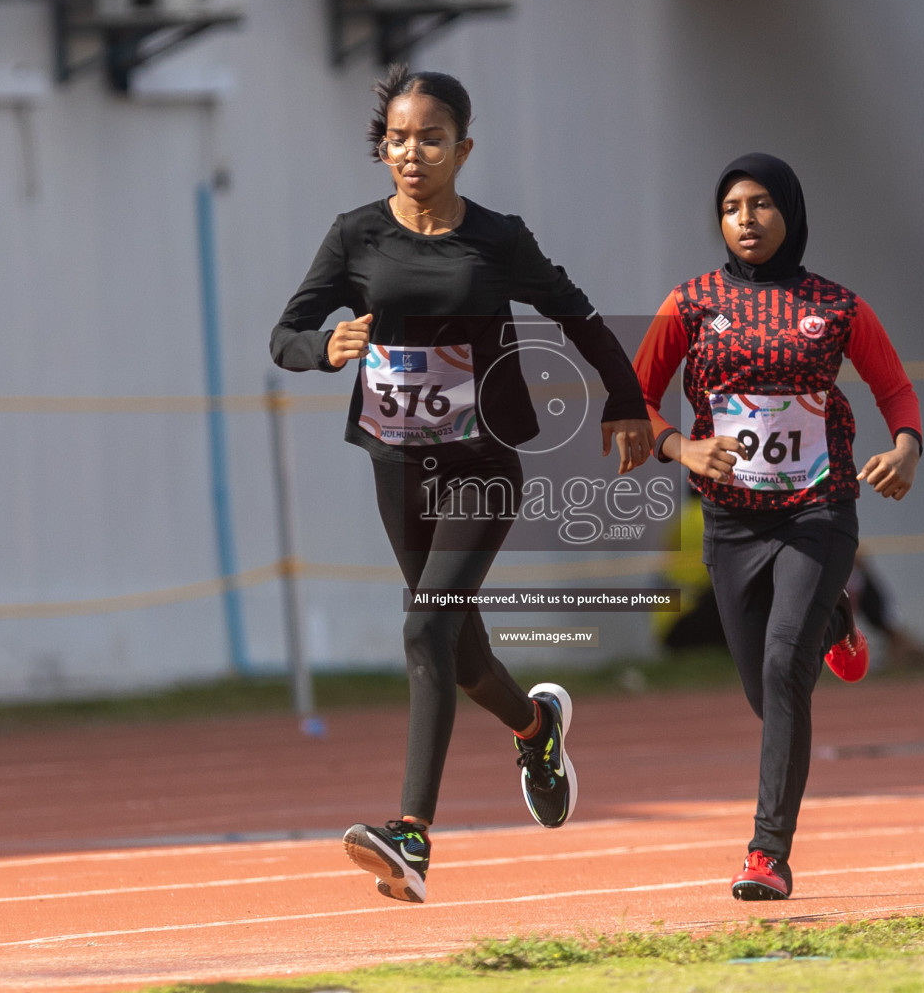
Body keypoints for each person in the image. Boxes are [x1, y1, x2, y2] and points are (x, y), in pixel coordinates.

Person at [270, 66, 653, 904]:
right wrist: (323, 347)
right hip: (394, 462)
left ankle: (411, 835)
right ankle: (536, 727)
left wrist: (625, 402)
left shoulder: (496, 239)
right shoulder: (355, 236)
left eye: (431, 139)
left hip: (481, 464)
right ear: (383, 148)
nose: (413, 153)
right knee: (455, 644)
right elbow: (287, 332)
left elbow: (576, 313)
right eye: (398, 139)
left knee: (422, 627)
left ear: (463, 148)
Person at [632, 153, 922, 901]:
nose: (747, 220)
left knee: (781, 669)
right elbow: (636, 400)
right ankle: (838, 621)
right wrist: (682, 446)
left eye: (761, 204)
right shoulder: (692, 303)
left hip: (818, 508)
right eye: (732, 207)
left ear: (789, 211)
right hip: (730, 521)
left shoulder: (836, 305)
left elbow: (893, 388)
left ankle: (767, 853)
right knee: (770, 696)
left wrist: (906, 448)